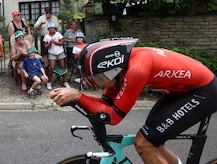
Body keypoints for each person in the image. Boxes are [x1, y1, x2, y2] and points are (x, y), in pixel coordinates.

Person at [49, 38, 217, 164]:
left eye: (100, 78)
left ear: (112, 69)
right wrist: (77, 98)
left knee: (144, 142)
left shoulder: (136, 69)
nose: (98, 84)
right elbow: (104, 105)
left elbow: (113, 116)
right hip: (182, 91)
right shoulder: (121, 68)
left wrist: (78, 96)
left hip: (203, 92)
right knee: (153, 140)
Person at [44, 22, 70, 90]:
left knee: (62, 67)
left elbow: (62, 43)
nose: (52, 30)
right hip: (52, 53)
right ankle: (49, 81)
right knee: (51, 67)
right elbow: (46, 46)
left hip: (60, 52)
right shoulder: (46, 36)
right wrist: (50, 43)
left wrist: (55, 42)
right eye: (50, 29)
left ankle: (65, 81)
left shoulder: (58, 34)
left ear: (55, 29)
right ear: (48, 29)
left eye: (53, 28)